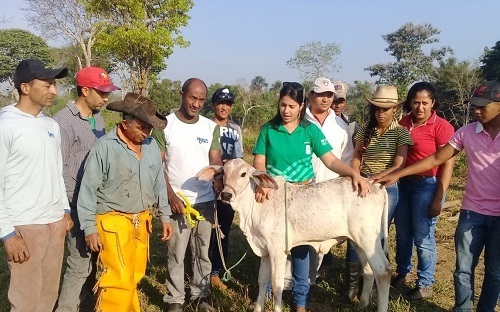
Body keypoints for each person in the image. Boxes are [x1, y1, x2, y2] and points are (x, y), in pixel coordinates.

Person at [374, 80, 500, 312]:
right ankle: (461, 308)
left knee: (494, 271)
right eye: (475, 106)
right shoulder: (467, 132)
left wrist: (438, 196)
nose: (477, 110)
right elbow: (434, 158)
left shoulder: (442, 126)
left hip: (488, 212)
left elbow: (442, 165)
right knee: (462, 268)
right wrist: (397, 174)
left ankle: (482, 307)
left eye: (483, 106)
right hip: (471, 211)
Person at [252, 81, 369, 312]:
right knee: (270, 248)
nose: (286, 110)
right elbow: (259, 161)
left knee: (301, 250)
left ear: (301, 106)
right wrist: (261, 180)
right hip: (273, 196)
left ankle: (300, 302)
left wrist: (355, 174)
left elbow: (331, 161)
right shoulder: (268, 129)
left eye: (292, 106)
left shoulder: (310, 130)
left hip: (303, 196)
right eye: (283, 105)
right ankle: (264, 295)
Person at [77, 92, 173, 311]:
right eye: (141, 127)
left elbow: (159, 183)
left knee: (134, 274)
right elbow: (88, 189)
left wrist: (165, 216)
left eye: (149, 128)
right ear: (124, 123)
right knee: (118, 278)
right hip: (112, 222)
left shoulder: (150, 147)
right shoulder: (105, 147)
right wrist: (90, 228)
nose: (146, 133)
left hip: (142, 221)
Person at [0, 58, 73, 311]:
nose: (54, 91)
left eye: (54, 85)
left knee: (48, 295)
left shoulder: (50, 125)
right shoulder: (6, 126)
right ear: (25, 87)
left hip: (54, 222)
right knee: (25, 299)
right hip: (25, 225)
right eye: (48, 84)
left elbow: (56, 172)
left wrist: (64, 211)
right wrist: (7, 234)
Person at [377, 81, 455, 300]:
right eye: (415, 102)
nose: (420, 107)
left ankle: (425, 283)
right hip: (403, 184)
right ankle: (402, 273)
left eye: (424, 103)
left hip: (427, 185)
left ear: (433, 104)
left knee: (423, 236)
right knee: (402, 233)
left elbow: (447, 163)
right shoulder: (403, 123)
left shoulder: (442, 127)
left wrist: (439, 196)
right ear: (409, 103)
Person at [55, 66, 119, 312]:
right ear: (84, 90)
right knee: (78, 265)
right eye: (101, 92)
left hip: (95, 204)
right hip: (74, 205)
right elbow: (58, 169)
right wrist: (67, 210)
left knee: (94, 261)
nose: (106, 98)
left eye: (107, 92)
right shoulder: (64, 122)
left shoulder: (99, 119)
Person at [343, 85, 413, 302]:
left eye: (385, 109)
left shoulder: (400, 132)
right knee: (353, 233)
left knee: (377, 236)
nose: (380, 113)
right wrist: (356, 176)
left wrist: (376, 179)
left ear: (394, 109)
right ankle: (353, 286)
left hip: (386, 188)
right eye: (376, 108)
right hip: (362, 184)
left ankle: (375, 287)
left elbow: (399, 164)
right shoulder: (366, 129)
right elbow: (356, 155)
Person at [161, 78, 222, 312]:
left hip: (205, 202)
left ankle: (200, 295)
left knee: (202, 251)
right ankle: (174, 298)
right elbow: (158, 166)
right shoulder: (166, 124)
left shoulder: (210, 127)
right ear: (182, 94)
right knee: (176, 253)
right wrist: (170, 197)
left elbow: (215, 161)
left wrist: (218, 179)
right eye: (192, 97)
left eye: (201, 100)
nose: (196, 104)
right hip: (177, 201)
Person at [304, 77, 354, 284]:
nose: (325, 99)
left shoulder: (341, 126)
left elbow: (347, 158)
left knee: (321, 237)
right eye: (320, 94)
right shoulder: (300, 122)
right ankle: (294, 280)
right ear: (310, 96)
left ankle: (310, 279)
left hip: (329, 191)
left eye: (329, 95)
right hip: (302, 188)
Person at [208, 87, 243, 289]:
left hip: (228, 186)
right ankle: (198, 268)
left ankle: (217, 271)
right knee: (204, 230)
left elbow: (238, 160)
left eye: (228, 104)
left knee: (223, 230)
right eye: (220, 103)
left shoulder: (235, 129)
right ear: (213, 105)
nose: (224, 107)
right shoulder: (205, 126)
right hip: (208, 184)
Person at [331, 80, 359, 145]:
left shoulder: (352, 125)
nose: (338, 106)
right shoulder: (319, 123)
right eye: (335, 101)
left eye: (341, 102)